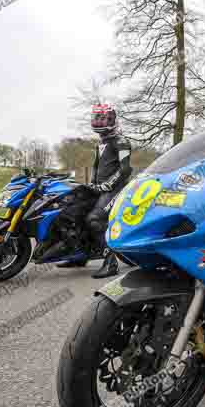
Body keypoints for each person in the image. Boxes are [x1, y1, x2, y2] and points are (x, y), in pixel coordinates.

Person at [58, 104, 132, 278]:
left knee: (94, 219)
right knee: (75, 212)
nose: (98, 121)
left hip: (117, 189)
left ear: (112, 120)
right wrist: (91, 185)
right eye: (96, 117)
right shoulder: (101, 143)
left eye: (103, 118)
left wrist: (107, 186)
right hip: (99, 188)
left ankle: (110, 263)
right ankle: (79, 256)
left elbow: (125, 170)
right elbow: (97, 167)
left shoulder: (121, 142)